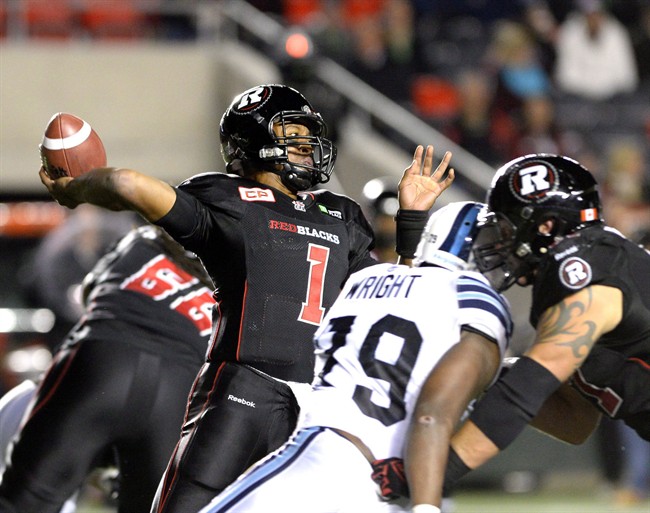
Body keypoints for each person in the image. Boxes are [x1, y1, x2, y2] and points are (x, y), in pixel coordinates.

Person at [39, 83, 455, 513]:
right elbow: (127, 183)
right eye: (293, 135)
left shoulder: (341, 215)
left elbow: (386, 302)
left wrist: (411, 221)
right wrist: (76, 189)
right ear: (254, 143)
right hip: (242, 391)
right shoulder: (229, 200)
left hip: (314, 408)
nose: (306, 146)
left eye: (307, 136)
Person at [197, 201, 513, 513]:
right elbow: (434, 406)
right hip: (383, 483)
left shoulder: (362, 280)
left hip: (326, 457)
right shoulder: (473, 297)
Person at [443, 153, 650, 496]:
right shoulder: (582, 273)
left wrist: (428, 475)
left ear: (546, 226)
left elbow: (523, 391)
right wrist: (486, 372)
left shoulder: (585, 266)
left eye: (507, 229)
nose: (501, 242)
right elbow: (575, 421)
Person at [0, 225, 216, 513]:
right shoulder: (230, 288)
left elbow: (87, 297)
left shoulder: (141, 242)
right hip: (177, 391)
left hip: (104, 361)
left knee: (22, 503)